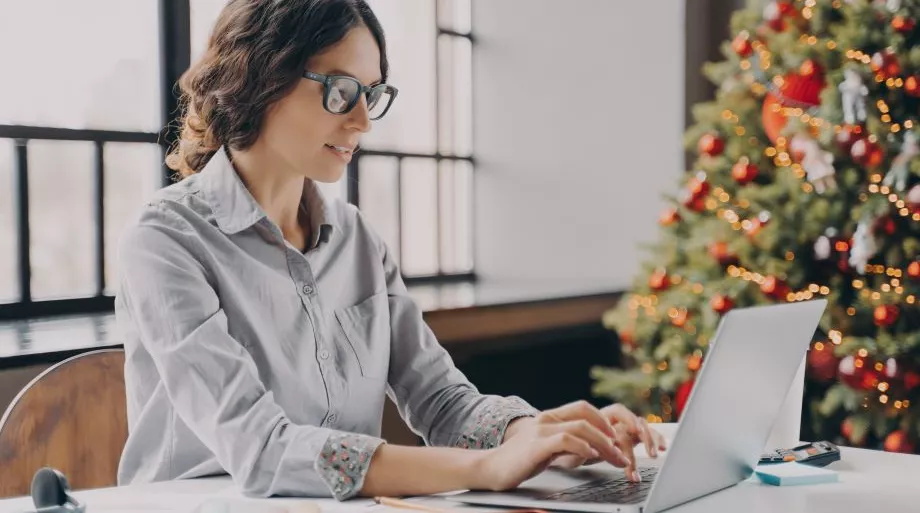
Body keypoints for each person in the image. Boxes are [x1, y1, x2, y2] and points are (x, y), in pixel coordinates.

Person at [114, 0, 665, 501]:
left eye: (370, 94)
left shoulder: (357, 240)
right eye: (340, 90)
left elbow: (443, 402)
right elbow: (263, 449)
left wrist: (542, 436)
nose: (360, 121)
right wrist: (487, 467)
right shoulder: (166, 241)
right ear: (262, 76)